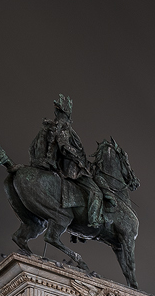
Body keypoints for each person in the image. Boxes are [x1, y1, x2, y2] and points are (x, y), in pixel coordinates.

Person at [29, 95, 102, 229]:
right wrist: (79, 159)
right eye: (68, 115)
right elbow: (64, 145)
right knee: (96, 192)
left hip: (62, 166)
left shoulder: (53, 126)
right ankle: (94, 220)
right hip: (71, 170)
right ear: (66, 115)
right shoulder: (63, 127)